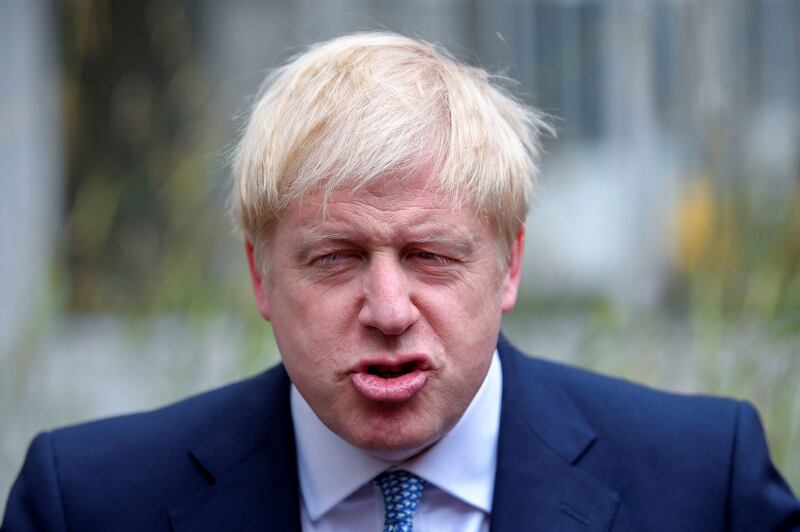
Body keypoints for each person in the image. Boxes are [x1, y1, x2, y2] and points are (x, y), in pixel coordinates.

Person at [3, 32, 799, 532]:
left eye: (431, 256)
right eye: (335, 258)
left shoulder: (704, 484)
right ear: (260, 277)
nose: (388, 312)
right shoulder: (88, 503)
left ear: (510, 264)